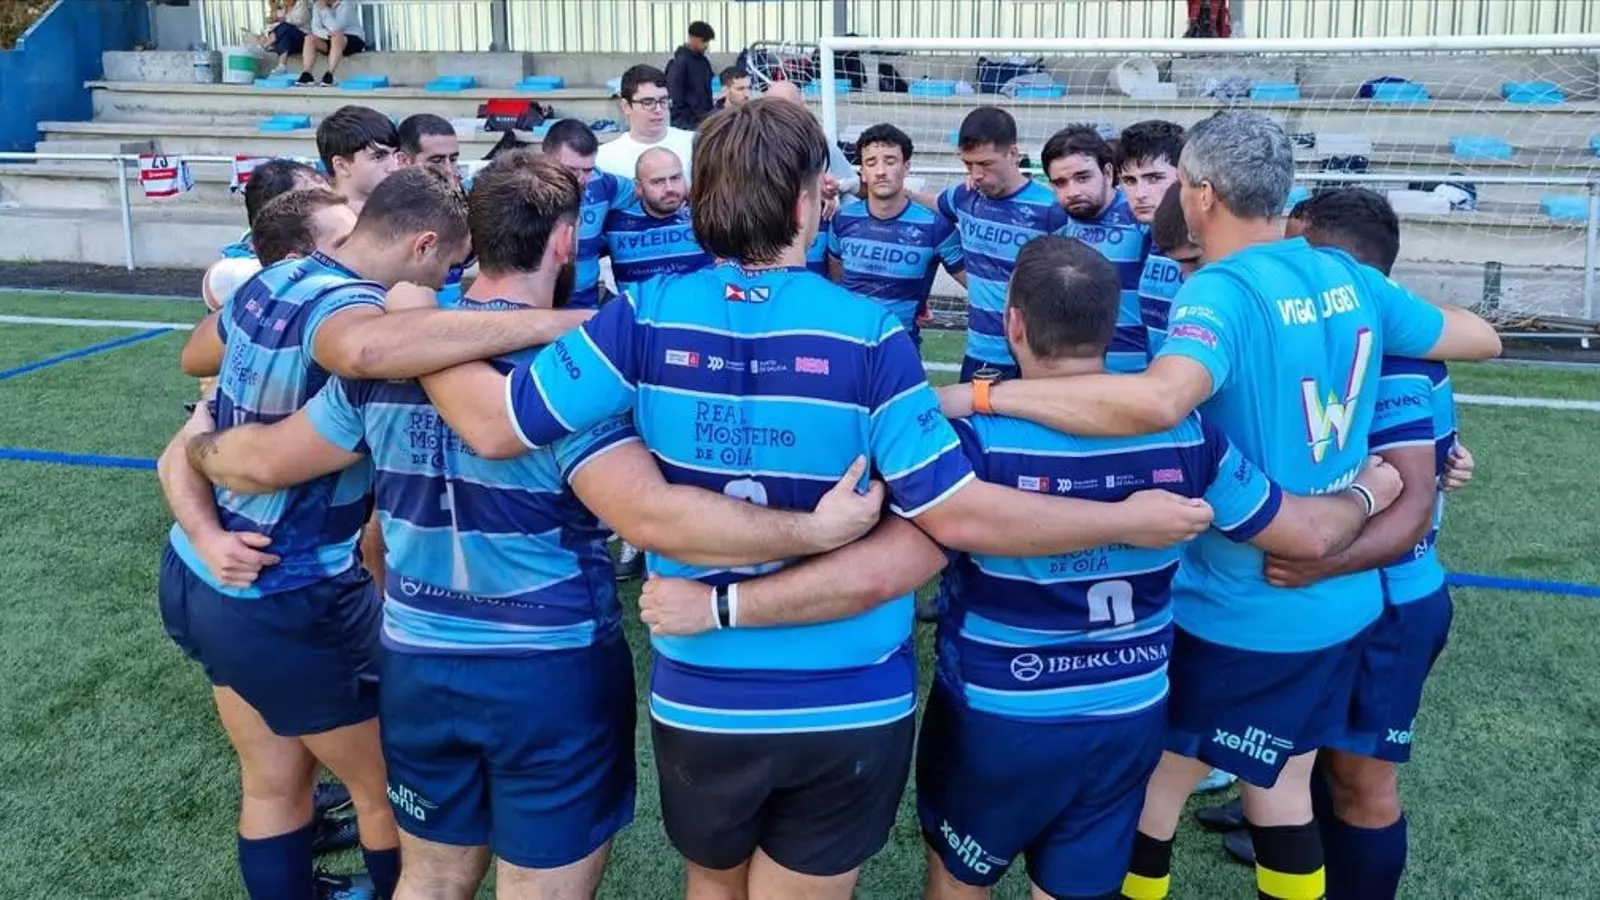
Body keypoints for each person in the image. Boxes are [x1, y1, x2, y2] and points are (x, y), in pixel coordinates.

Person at [409, 97, 1217, 900]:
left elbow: (497, 424)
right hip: (849, 691)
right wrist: (1124, 520)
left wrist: (406, 324)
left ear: (703, 200)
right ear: (806, 203)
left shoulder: (641, 317)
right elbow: (957, 515)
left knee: (712, 887)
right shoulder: (870, 334)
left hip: (703, 685)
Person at [178, 150, 886, 900]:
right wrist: (811, 532)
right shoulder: (573, 371)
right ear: (565, 240)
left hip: (418, 661)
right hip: (547, 668)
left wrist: (197, 445)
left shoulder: (391, 358)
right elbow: (654, 517)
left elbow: (262, 462)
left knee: (430, 879)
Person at [639, 234, 1405, 900]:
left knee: (960, 880)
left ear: (1012, 323)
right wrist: (1373, 488)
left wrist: (721, 598)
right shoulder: (1190, 439)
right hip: (1127, 710)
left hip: (1000, 717)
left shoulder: (973, 448)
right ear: (1113, 322)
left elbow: (880, 563)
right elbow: (1306, 533)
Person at [934, 111, 1501, 900]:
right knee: (1283, 787)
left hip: (1240, 597)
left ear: (1200, 195)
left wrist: (984, 395)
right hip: (1338, 603)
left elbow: (1160, 402)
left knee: (1152, 790)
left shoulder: (1220, 292)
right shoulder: (1350, 278)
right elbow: (1481, 337)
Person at [154, 166, 592, 900]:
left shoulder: (279, 276)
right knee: (388, 789)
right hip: (285, 586)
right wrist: (563, 323)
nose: (447, 284)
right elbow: (365, 353)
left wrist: (206, 492)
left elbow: (198, 353)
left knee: (273, 779)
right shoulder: (352, 309)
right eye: (447, 267)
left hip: (198, 573)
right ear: (422, 246)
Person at [1240, 188, 1462, 899]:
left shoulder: (1390, 353)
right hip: (1343, 597)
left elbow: (1412, 502)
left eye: (1298, 246)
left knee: (1362, 782)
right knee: (1313, 766)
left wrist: (1322, 561)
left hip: (1389, 601)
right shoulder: (1340, 337)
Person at [919, 106, 1071, 381]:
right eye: (969, 165)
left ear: (1013, 154)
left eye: (986, 164)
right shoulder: (964, 196)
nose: (976, 174)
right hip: (979, 352)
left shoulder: (1051, 209)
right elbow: (934, 204)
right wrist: (897, 192)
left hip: (1035, 356)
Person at [826, 123, 965, 353]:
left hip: (901, 351)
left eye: (890, 161)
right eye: (871, 162)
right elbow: (836, 277)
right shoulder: (842, 220)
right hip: (849, 349)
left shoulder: (935, 226)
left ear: (906, 167)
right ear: (862, 172)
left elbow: (976, 284)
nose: (880, 171)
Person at [1041, 125, 1151, 374]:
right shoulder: (1057, 220)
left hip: (1136, 374)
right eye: (1060, 183)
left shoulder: (1141, 218)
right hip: (1075, 373)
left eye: (1083, 178)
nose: (1073, 192)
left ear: (1108, 172)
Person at [541, 119, 637, 311]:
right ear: (546, 159)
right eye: (571, 169)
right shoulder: (520, 190)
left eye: (587, 170)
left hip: (585, 300)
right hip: (536, 300)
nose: (579, 178)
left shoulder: (603, 184)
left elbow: (643, 190)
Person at [602, 147, 712, 301]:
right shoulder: (615, 222)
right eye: (658, 181)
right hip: (638, 313)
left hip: (697, 309)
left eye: (675, 178)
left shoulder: (705, 216)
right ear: (638, 186)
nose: (669, 188)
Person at [1118, 121, 1188, 361]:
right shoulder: (1147, 240)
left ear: (1186, 175)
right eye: (1130, 181)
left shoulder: (1208, 246)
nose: (1140, 194)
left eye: (1154, 178)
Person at [397, 115, 471, 306]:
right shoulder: (384, 211)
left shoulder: (463, 203)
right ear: (404, 160)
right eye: (437, 160)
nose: (449, 169)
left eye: (453, 159)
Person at [595, 65, 697, 182]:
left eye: (663, 101)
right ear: (626, 106)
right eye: (648, 102)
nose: (658, 109)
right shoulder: (605, 158)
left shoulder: (694, 144)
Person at [316, 105, 400, 214]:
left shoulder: (400, 209)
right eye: (378, 157)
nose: (395, 167)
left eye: (395, 155)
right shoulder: (319, 220)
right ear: (342, 166)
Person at [298, 0, 367, 87]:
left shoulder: (345, 4)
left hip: (353, 38)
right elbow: (315, 28)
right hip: (331, 38)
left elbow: (336, 28)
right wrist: (327, 34)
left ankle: (330, 74)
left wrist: (324, 10)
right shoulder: (318, 5)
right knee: (309, 38)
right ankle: (307, 74)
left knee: (336, 37)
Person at [668, 21, 717, 129]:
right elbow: (675, 93)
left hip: (704, 118)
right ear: (692, 38)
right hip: (686, 121)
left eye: (708, 42)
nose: (706, 45)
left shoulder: (704, 62)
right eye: (704, 41)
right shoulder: (680, 62)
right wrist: (681, 121)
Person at [263, 0, 311, 76]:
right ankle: (282, 65)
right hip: (289, 41)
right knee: (286, 35)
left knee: (286, 27)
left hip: (302, 39)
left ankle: (266, 45)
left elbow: (298, 21)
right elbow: (274, 23)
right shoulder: (283, 8)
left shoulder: (302, 6)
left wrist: (283, 19)